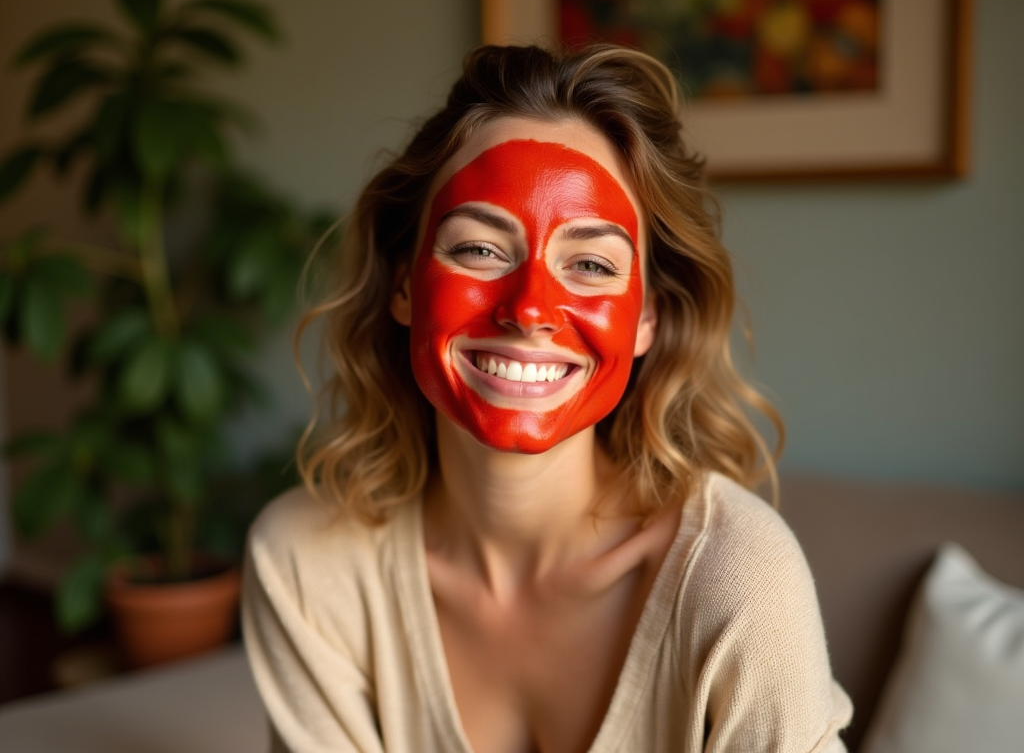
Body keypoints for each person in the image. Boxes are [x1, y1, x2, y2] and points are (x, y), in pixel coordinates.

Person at [242, 43, 853, 753]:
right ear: (405, 283)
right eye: (479, 250)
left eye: (591, 264)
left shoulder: (739, 581)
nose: (529, 310)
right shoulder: (304, 563)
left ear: (647, 317)